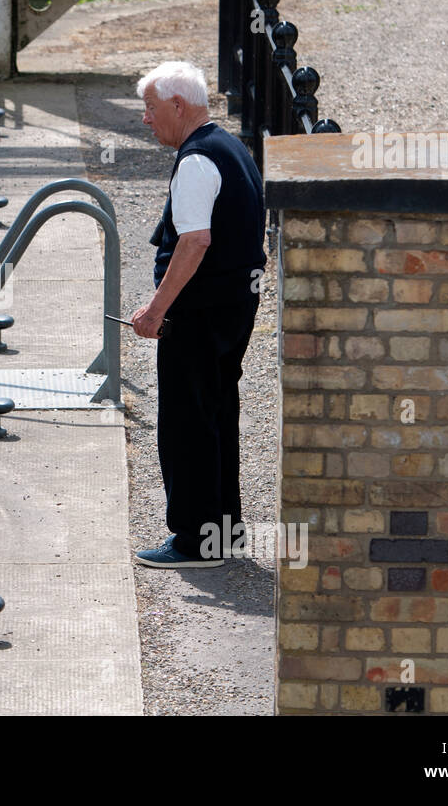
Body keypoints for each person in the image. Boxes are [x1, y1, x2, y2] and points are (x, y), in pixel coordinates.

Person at [130, 61, 266, 568]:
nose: (146, 120)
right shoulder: (233, 148)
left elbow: (194, 242)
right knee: (216, 415)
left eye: (150, 108)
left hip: (200, 312)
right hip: (234, 307)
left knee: (187, 424)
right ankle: (224, 532)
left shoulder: (195, 161)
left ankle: (194, 541)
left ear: (178, 106)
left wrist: (154, 310)